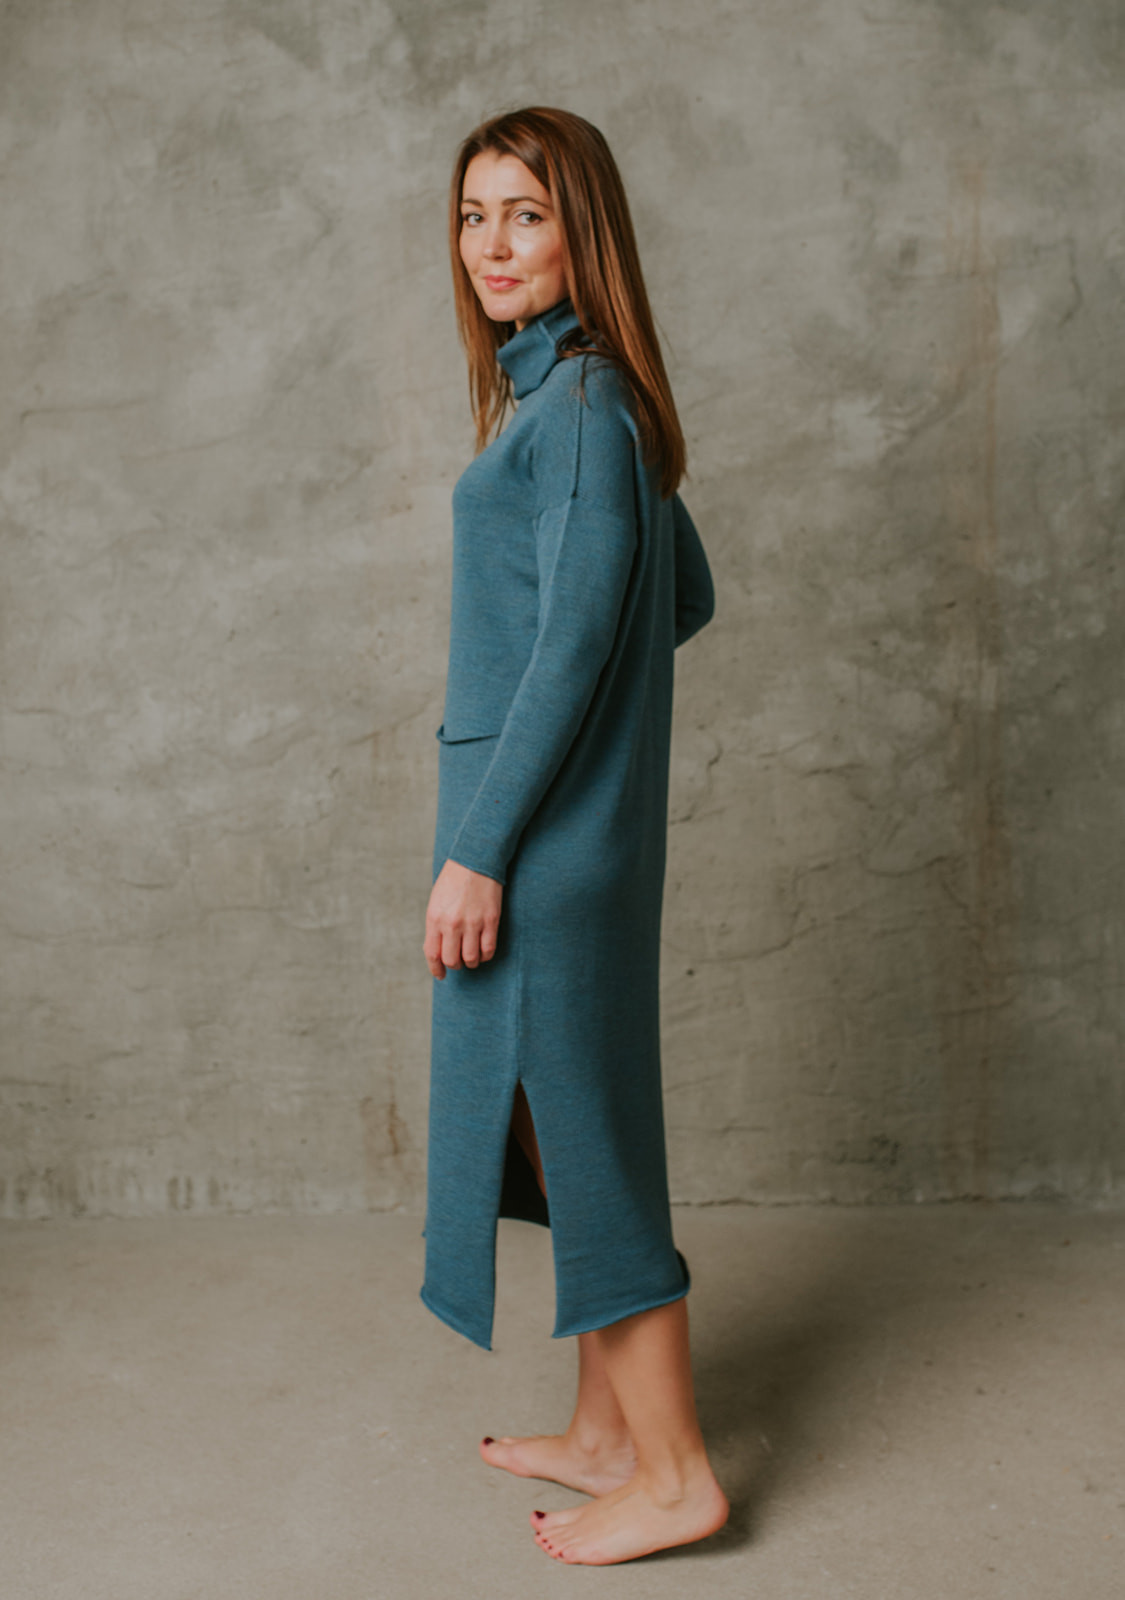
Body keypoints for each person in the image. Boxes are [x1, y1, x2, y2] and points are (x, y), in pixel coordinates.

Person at [421, 106, 725, 1566]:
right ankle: (607, 1433)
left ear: (580, 232)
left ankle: (675, 1475)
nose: (491, 245)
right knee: (555, 1121)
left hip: (540, 842)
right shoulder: (572, 405)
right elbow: (682, 595)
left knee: (584, 1141)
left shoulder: (586, 408)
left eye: (525, 215)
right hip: (552, 827)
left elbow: (576, 644)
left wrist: (482, 845)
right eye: (473, 214)